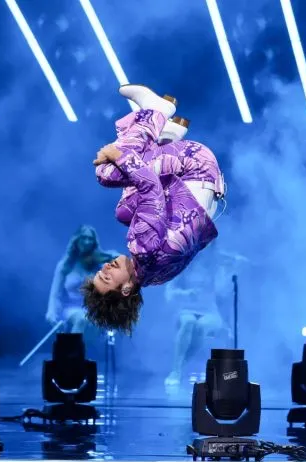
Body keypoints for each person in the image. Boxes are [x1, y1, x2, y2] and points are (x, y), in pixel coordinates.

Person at [82, 85, 224, 333]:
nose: (104, 268)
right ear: (126, 289)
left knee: (124, 211)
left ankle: (166, 134)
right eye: (106, 277)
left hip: (205, 181)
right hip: (194, 164)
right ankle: (157, 111)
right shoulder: (143, 248)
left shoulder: (155, 277)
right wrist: (118, 155)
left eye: (99, 272)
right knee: (106, 172)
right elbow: (150, 187)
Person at [163, 250, 234, 387]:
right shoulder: (181, 264)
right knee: (189, 322)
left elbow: (222, 291)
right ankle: (176, 371)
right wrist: (185, 294)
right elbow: (169, 293)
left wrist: (227, 270)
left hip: (210, 311)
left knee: (201, 327)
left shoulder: (214, 266)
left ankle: (179, 367)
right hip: (186, 310)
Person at [46, 225, 119, 333]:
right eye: (84, 238)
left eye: (90, 239)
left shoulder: (98, 264)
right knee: (81, 318)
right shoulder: (66, 265)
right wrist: (51, 311)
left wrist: (104, 254)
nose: (87, 242)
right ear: (77, 240)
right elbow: (55, 293)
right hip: (69, 309)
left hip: (92, 310)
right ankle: (72, 349)